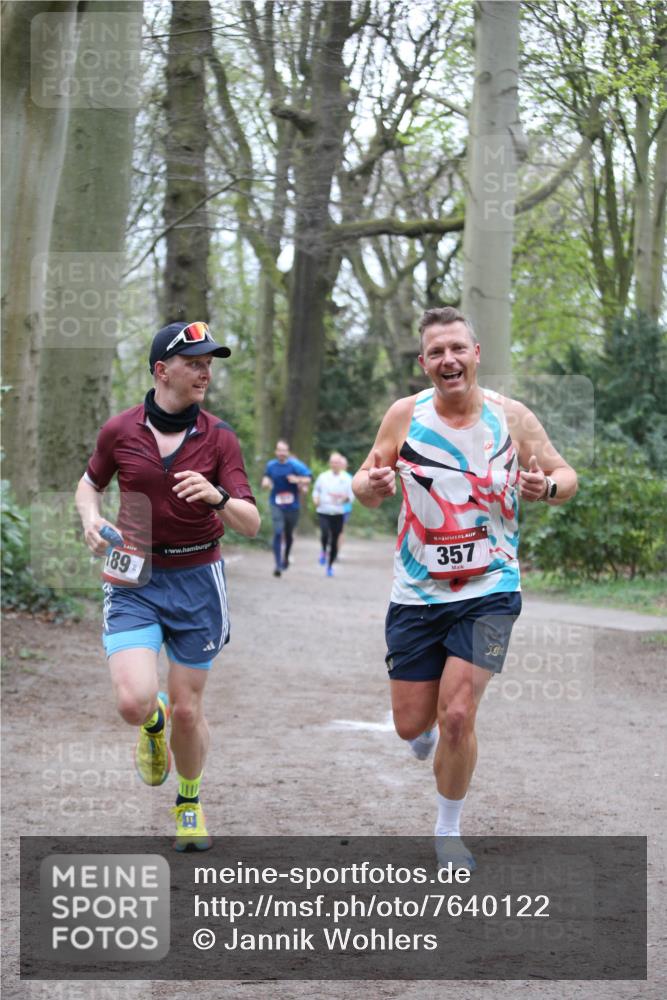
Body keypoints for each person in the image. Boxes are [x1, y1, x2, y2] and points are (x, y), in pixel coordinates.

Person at [352, 306, 577, 870]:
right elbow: (364, 482)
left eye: (458, 348)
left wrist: (544, 485)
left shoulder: (512, 417)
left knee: (457, 715)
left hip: (492, 587)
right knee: (413, 723)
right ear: (423, 363)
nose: (448, 359)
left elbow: (566, 476)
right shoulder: (404, 416)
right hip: (417, 592)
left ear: (476, 354)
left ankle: (448, 830)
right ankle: (421, 739)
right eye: (436, 352)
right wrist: (373, 484)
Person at [75, 321, 260, 851]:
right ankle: (150, 725)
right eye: (194, 362)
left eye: (209, 363)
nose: (205, 372)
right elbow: (90, 486)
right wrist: (90, 519)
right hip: (134, 574)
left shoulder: (220, 437)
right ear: (162, 370)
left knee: (188, 709)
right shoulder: (120, 430)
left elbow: (251, 523)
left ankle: (189, 802)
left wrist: (218, 497)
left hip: (199, 579)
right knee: (135, 703)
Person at [261, 440, 312, 577]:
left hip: (292, 506)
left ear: (287, 452)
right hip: (276, 504)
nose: (282, 453)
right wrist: (265, 482)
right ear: (276, 452)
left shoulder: (295, 465)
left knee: (288, 535)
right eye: (279, 450)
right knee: (278, 531)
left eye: (284, 450)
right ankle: (277, 565)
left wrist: (298, 480)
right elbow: (266, 477)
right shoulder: (271, 465)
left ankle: (286, 556)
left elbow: (308, 478)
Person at [312, 452, 354, 576]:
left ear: (341, 464)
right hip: (324, 511)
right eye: (333, 462)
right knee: (324, 533)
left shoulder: (346, 479)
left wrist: (345, 499)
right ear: (330, 463)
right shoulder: (323, 477)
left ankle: (330, 566)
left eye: (337, 462)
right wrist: (315, 500)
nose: (335, 464)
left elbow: (351, 496)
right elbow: (316, 491)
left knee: (335, 539)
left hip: (338, 512)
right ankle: (324, 551)